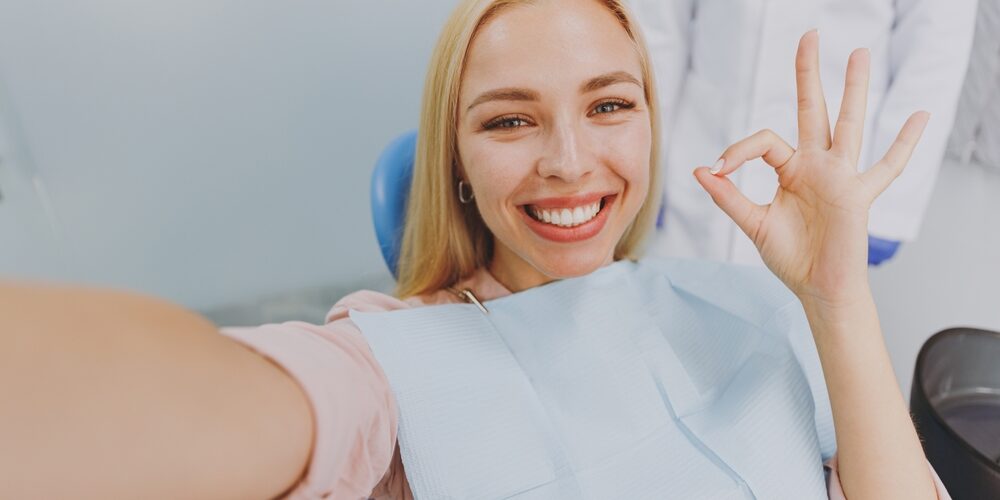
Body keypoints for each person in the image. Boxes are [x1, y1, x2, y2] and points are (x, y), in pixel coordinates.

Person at [0, 0, 949, 499]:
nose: (570, 162)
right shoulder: (392, 361)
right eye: (509, 120)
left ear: (652, 125)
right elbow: (219, 408)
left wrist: (837, 304)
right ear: (452, 159)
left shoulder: (747, 306)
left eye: (609, 104)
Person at [629, 0, 978, 265]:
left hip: (831, 181)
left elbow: (935, 52)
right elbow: (657, 25)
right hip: (697, 156)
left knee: (795, 337)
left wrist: (888, 209)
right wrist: (644, 158)